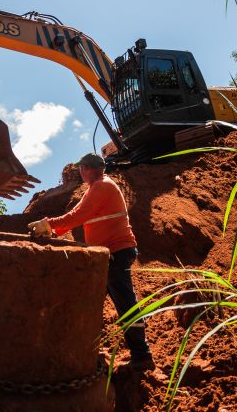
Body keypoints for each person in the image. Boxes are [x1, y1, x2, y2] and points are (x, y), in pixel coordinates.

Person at [27, 153, 155, 371]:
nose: (79, 172)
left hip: (116, 252)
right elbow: (78, 213)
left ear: (86, 168)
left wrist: (48, 225)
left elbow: (78, 215)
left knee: (125, 303)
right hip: (110, 253)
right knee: (93, 299)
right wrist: (53, 227)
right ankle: (88, 349)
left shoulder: (102, 186)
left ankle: (141, 355)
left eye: (81, 169)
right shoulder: (98, 187)